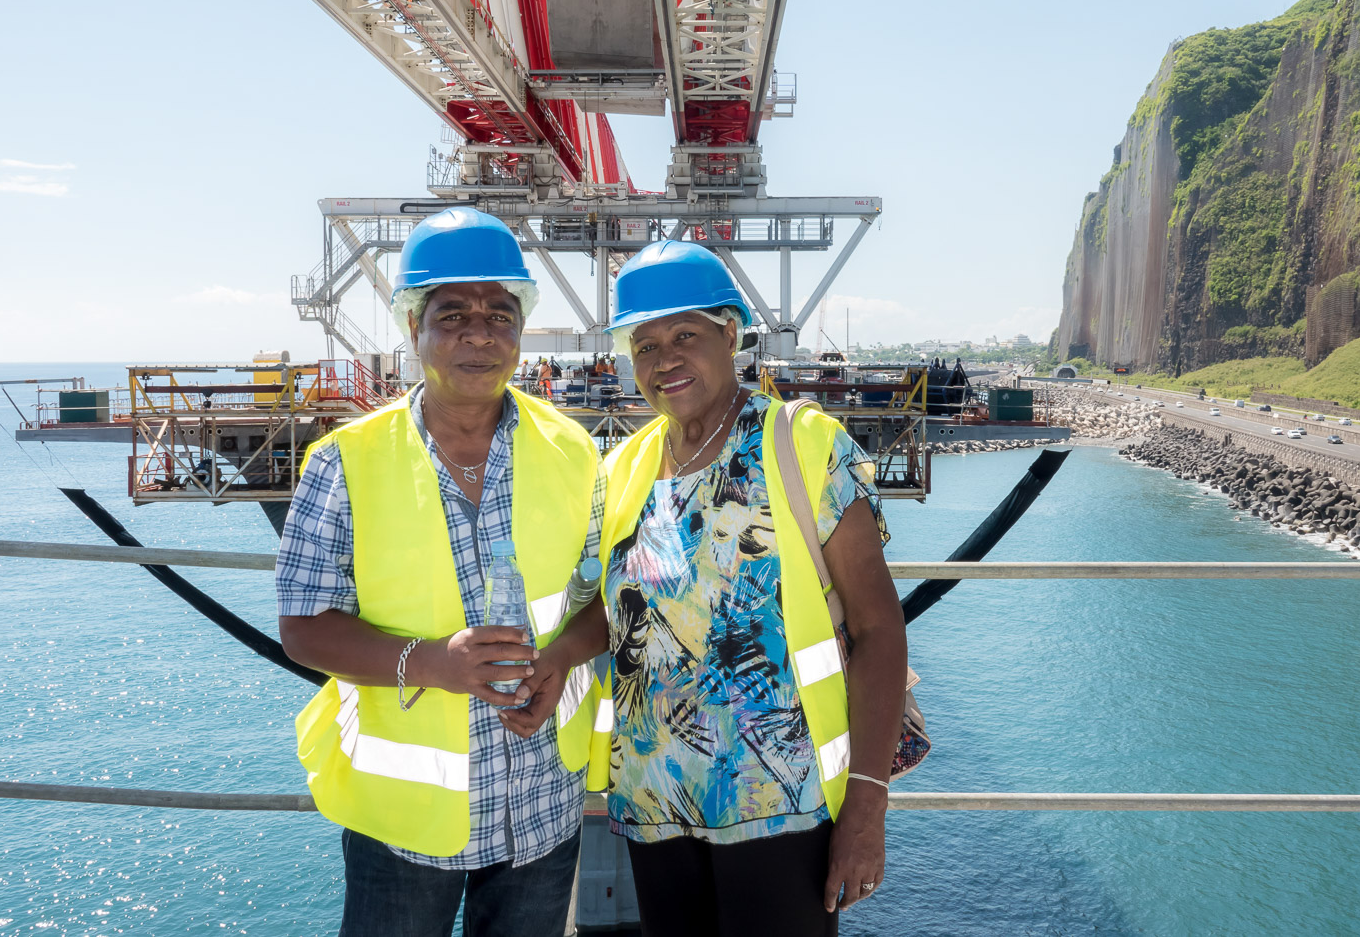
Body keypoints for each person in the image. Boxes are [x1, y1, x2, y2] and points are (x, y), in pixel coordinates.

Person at [505, 240, 907, 937]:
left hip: (782, 808)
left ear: (732, 334)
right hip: (657, 805)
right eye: (645, 343)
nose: (665, 359)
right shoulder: (626, 466)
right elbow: (619, 601)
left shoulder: (805, 447)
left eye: (685, 334)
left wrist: (866, 807)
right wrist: (564, 654)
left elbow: (877, 628)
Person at [275, 207, 606, 937]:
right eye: (451, 313)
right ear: (414, 328)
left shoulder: (574, 452)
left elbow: (607, 598)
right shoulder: (346, 462)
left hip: (541, 805)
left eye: (500, 313)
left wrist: (560, 657)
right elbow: (301, 626)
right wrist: (432, 662)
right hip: (406, 826)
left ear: (521, 331)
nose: (479, 333)